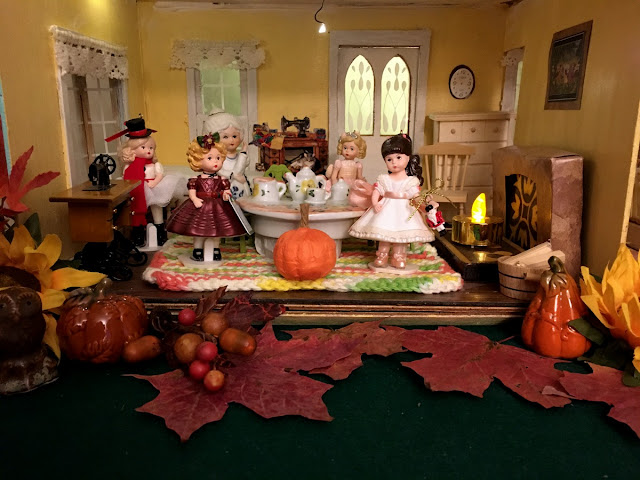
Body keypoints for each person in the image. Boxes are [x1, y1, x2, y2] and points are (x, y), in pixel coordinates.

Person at [348, 134, 434, 270]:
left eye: (398, 158)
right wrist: (375, 203)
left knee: (400, 235)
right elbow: (377, 191)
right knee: (385, 234)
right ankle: (382, 255)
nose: (394, 162)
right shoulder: (384, 179)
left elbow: (415, 196)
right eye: (389, 159)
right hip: (386, 209)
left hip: (403, 211)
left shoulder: (410, 181)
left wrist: (425, 200)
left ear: (408, 158)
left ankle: (398, 256)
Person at [165, 134, 250, 262]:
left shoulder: (222, 179)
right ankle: (197, 250)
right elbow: (192, 192)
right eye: (210, 158)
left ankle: (216, 250)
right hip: (200, 205)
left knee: (217, 231)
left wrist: (226, 194)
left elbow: (226, 190)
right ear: (197, 160)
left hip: (218, 206)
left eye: (218, 158)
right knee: (198, 230)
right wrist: (194, 199)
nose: (215, 161)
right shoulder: (195, 180)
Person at [107, 117, 179, 247]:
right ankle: (138, 234)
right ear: (132, 150)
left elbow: (159, 175)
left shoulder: (155, 165)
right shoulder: (129, 167)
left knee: (157, 208)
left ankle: (160, 233)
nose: (148, 150)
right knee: (136, 211)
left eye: (151, 147)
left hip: (153, 188)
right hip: (138, 190)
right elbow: (127, 178)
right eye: (143, 147)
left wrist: (154, 183)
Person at [202, 110, 251, 199]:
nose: (231, 140)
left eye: (234, 136)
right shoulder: (218, 158)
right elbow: (220, 171)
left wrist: (243, 153)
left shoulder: (240, 156)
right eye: (225, 137)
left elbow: (242, 166)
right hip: (224, 188)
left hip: (242, 190)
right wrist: (233, 175)